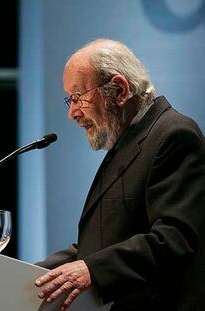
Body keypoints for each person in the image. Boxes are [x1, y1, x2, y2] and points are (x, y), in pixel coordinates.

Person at [34, 38, 205, 311]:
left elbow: (174, 237)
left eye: (78, 97)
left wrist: (92, 269)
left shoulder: (174, 135)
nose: (72, 113)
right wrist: (28, 273)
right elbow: (98, 245)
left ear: (119, 90)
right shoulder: (126, 142)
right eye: (70, 99)